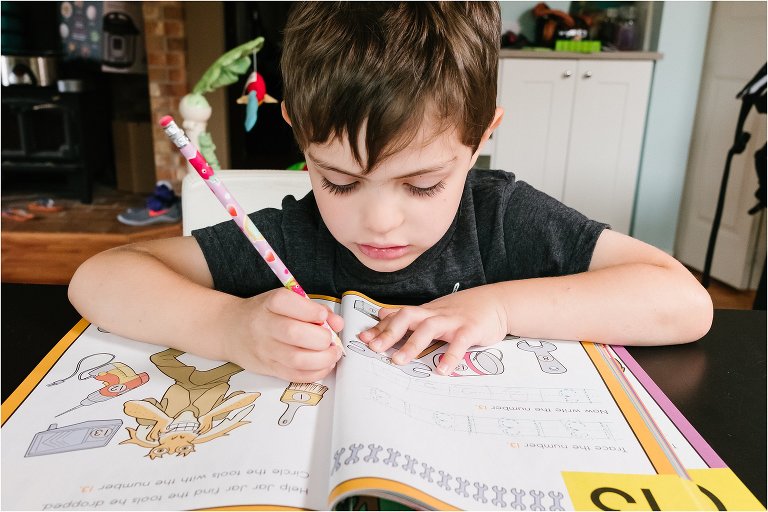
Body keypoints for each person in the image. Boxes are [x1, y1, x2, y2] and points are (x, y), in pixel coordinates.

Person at [69, 2, 713, 383]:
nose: (377, 222)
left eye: (424, 183)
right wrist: (228, 326)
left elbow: (683, 303)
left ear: (482, 136)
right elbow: (99, 278)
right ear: (296, 130)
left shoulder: (502, 219)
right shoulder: (294, 237)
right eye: (338, 181)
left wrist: (500, 309)